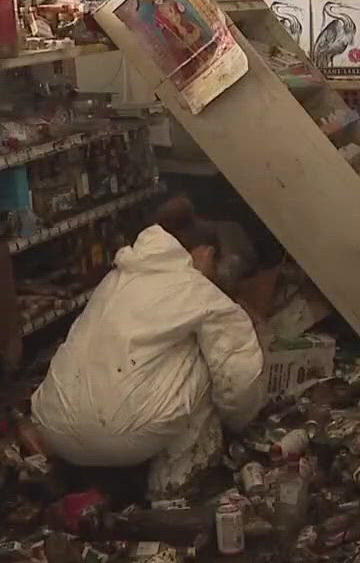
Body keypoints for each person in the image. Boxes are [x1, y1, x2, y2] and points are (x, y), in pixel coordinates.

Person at [31, 197, 266, 501]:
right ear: (204, 253)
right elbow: (241, 378)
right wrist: (239, 422)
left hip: (55, 428)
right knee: (213, 359)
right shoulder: (198, 291)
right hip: (122, 436)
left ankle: (99, 483)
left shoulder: (115, 279)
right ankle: (175, 488)